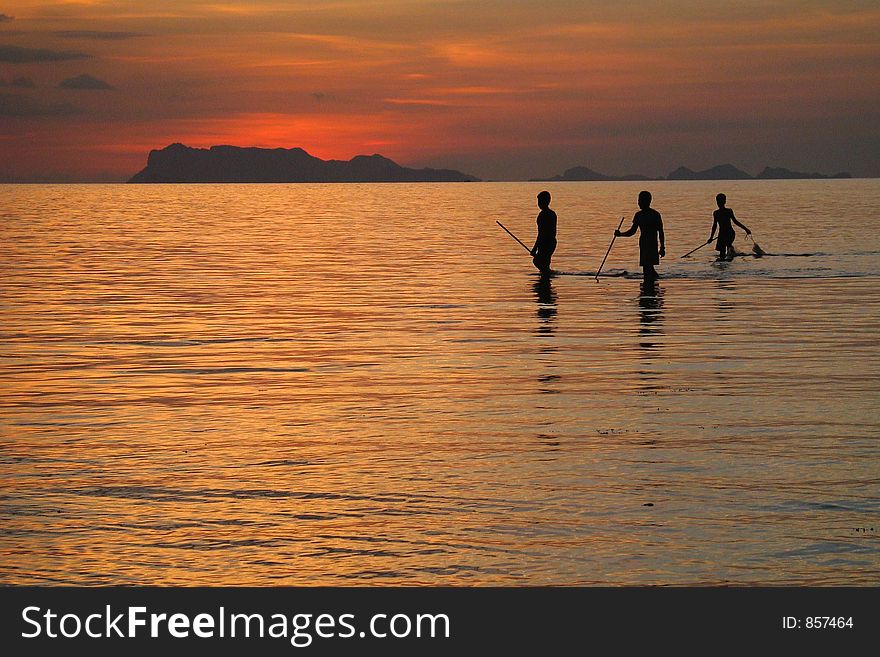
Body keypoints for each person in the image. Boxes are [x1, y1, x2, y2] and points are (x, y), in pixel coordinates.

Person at [615, 190, 665, 281]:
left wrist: (662, 248)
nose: (638, 202)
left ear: (647, 201)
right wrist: (620, 234)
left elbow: (661, 232)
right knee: (648, 268)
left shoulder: (654, 215)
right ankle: (653, 287)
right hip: (644, 244)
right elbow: (632, 232)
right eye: (638, 200)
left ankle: (652, 289)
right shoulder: (640, 215)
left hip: (651, 244)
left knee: (648, 269)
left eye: (640, 200)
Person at [709, 193, 751, 261]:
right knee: (722, 253)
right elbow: (714, 226)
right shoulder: (716, 213)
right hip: (721, 234)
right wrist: (711, 238)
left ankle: (731, 256)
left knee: (728, 247)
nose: (719, 203)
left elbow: (735, 221)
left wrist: (746, 229)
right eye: (718, 201)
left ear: (725, 201)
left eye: (721, 201)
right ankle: (724, 263)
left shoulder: (728, 211)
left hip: (730, 233)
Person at [530, 191, 557, 274]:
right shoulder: (551, 214)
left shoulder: (544, 215)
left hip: (546, 242)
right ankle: (546, 278)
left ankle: (547, 276)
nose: (538, 204)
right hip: (551, 242)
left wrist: (535, 248)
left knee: (537, 261)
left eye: (540, 201)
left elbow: (541, 233)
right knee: (544, 264)